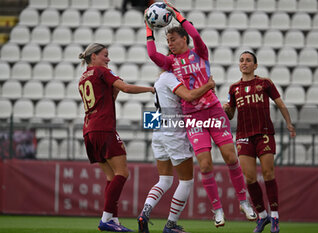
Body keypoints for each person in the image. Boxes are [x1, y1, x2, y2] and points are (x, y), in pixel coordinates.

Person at [144, 1, 257, 227]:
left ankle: (244, 202)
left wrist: (176, 14)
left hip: (214, 110)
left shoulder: (200, 53)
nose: (170, 44)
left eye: (173, 39)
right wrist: (149, 26)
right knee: (205, 166)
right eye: (167, 41)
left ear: (184, 39)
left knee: (230, 157)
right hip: (192, 116)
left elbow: (196, 35)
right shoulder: (170, 64)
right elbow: (152, 54)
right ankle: (217, 210)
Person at [78, 43, 154, 232]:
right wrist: (151, 89)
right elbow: (126, 88)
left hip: (89, 130)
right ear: (93, 56)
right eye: (105, 55)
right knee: (122, 173)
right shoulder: (101, 72)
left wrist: (115, 90)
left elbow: (108, 98)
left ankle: (114, 220)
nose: (108, 58)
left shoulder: (83, 78)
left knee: (112, 176)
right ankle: (105, 220)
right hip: (104, 128)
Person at [223, 51, 296, 233]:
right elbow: (231, 113)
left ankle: (275, 217)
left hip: (264, 134)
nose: (244, 63)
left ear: (255, 65)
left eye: (248, 60)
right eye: (241, 60)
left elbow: (280, 103)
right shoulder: (234, 88)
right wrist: (226, 110)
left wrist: (288, 123)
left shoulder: (264, 83)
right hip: (244, 135)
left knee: (268, 174)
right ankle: (263, 216)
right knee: (249, 178)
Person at [138, 72, 215, 233]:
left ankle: (144, 214)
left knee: (165, 180)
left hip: (158, 128)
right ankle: (171, 225)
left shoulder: (161, 78)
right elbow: (188, 96)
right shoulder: (171, 77)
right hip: (173, 131)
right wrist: (208, 86)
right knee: (186, 181)